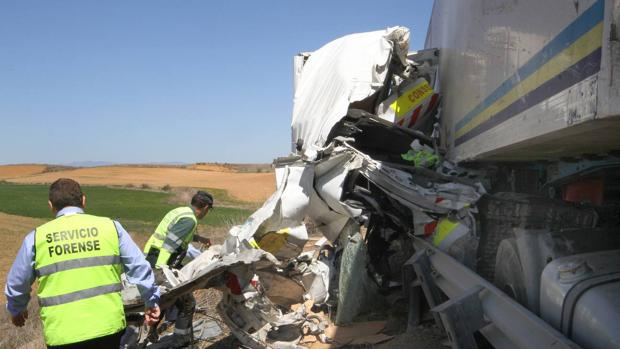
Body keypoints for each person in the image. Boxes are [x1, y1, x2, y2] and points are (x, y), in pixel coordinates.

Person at [4, 178, 161, 349]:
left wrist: (16, 310)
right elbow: (139, 268)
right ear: (84, 201)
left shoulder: (36, 239)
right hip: (108, 328)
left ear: (50, 205)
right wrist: (151, 302)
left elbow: (17, 282)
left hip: (62, 334)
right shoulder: (111, 228)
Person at [142, 190, 213, 347]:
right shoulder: (190, 220)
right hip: (160, 261)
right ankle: (181, 342)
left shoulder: (182, 212)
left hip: (153, 257)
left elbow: (176, 232)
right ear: (206, 207)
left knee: (165, 300)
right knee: (187, 303)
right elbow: (169, 245)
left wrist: (199, 238)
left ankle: (151, 332)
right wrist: (162, 271)